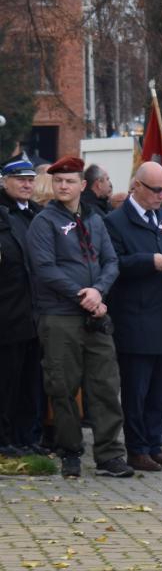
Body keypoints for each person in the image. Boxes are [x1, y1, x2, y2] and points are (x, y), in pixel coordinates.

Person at [25, 156, 133, 479]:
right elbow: (45, 270)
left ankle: (110, 455)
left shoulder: (96, 221)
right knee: (62, 386)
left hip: (95, 315)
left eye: (69, 181)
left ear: (82, 186)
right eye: (58, 181)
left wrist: (98, 292)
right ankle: (70, 451)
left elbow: (111, 262)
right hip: (60, 316)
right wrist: (83, 295)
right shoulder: (43, 223)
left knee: (104, 385)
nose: (63, 186)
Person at [104, 161, 162, 472]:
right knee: (136, 389)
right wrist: (147, 261)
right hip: (136, 317)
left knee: (160, 390)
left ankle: (156, 444)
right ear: (136, 186)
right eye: (155, 189)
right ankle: (136, 447)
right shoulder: (115, 222)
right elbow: (112, 264)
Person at [0, 156, 47, 455]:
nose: (27, 184)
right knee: (6, 381)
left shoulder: (37, 214)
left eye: (31, 179)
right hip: (7, 311)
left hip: (35, 313)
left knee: (32, 380)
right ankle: (4, 440)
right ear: (4, 181)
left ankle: (27, 437)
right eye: (20, 179)